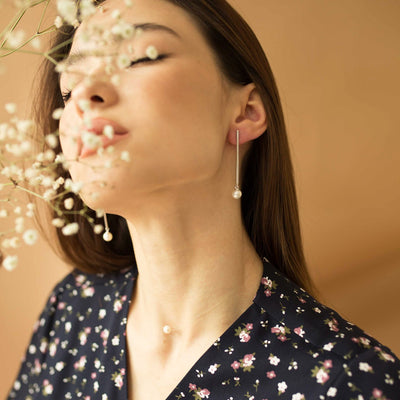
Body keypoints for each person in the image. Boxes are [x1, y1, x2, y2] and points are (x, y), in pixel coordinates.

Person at [7, 0, 400, 398]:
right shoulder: (73, 312)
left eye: (140, 58)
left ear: (245, 112)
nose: (85, 94)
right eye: (69, 88)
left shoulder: (353, 382)